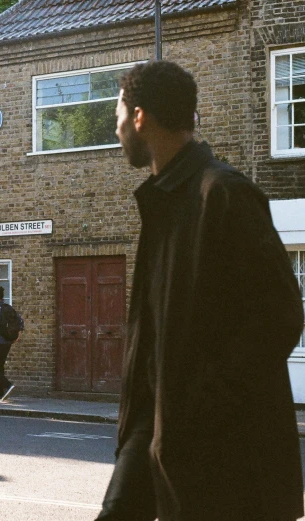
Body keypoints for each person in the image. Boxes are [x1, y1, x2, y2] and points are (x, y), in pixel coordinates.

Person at [97, 60, 304, 521]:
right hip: (156, 438)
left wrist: (197, 406)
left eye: (117, 118)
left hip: (224, 470)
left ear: (139, 117)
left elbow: (281, 316)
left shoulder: (223, 195)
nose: (116, 131)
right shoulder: (165, 200)